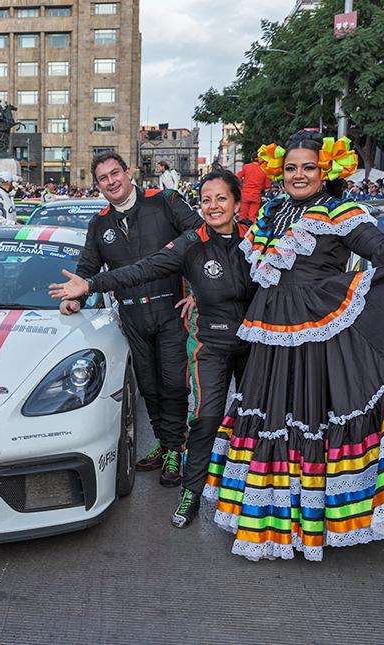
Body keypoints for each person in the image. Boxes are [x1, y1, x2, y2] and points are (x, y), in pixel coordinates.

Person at [199, 130, 384, 561]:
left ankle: (313, 527)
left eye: (308, 168)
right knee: (269, 419)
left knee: (311, 422)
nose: (299, 175)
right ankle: (270, 525)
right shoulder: (271, 213)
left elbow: (381, 248)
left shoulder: (341, 211)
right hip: (270, 338)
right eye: (291, 168)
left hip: (318, 338)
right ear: (278, 172)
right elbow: (247, 272)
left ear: (326, 171)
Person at [50, 169, 254, 526]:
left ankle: (257, 496)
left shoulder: (253, 235)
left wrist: (193, 292)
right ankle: (187, 481)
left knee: (252, 415)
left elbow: (294, 278)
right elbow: (143, 268)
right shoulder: (109, 227)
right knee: (191, 409)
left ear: (237, 202)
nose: (213, 206)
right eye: (206, 200)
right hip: (192, 335)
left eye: (221, 199)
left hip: (250, 340)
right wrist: (87, 288)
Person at [61, 151, 202, 486]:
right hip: (132, 316)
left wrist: (198, 290)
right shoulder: (99, 224)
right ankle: (164, 442)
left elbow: (201, 238)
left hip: (171, 310)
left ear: (128, 172)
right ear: (98, 186)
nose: (112, 182)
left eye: (115, 174)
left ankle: (174, 450)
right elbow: (86, 270)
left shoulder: (165, 201)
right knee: (148, 387)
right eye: (104, 179)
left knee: (172, 383)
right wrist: (74, 298)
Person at [236, 158, 271, 224]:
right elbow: (267, 186)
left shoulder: (246, 167)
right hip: (256, 195)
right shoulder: (264, 170)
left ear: (252, 159)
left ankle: (241, 231)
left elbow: (237, 177)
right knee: (252, 217)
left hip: (245, 194)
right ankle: (250, 231)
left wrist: (241, 186)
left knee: (242, 216)